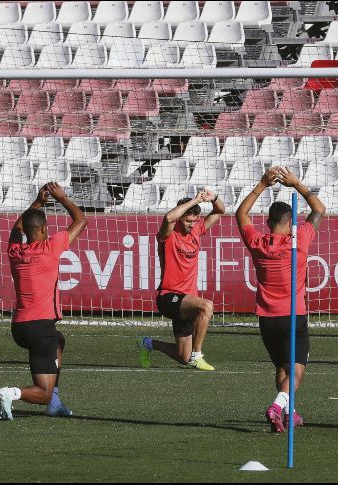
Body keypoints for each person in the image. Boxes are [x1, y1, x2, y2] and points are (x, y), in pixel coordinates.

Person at [236, 166, 325, 433]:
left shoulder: (257, 242)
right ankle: (277, 406)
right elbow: (319, 209)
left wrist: (262, 183)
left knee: (281, 368)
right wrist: (296, 183)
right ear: (289, 222)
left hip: (266, 318)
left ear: (268, 223)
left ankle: (289, 413)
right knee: (296, 371)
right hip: (293, 316)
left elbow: (241, 214)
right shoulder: (299, 241)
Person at [0, 182, 87, 420]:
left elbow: (18, 228)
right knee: (42, 392)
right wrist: (62, 198)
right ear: (45, 229)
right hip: (39, 327)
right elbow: (81, 221)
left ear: (26, 232)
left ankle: (54, 403)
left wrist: (38, 202)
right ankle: (13, 393)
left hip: (20, 326)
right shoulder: (51, 247)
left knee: (59, 340)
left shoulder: (15, 251)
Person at [137, 190, 225, 371]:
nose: (191, 225)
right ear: (180, 218)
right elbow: (169, 217)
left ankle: (148, 344)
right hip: (168, 296)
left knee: (183, 356)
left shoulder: (197, 231)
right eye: (187, 221)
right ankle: (197, 355)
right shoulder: (168, 235)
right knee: (206, 306)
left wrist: (213, 198)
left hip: (187, 300)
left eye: (194, 221)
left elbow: (219, 211)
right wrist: (195, 199)